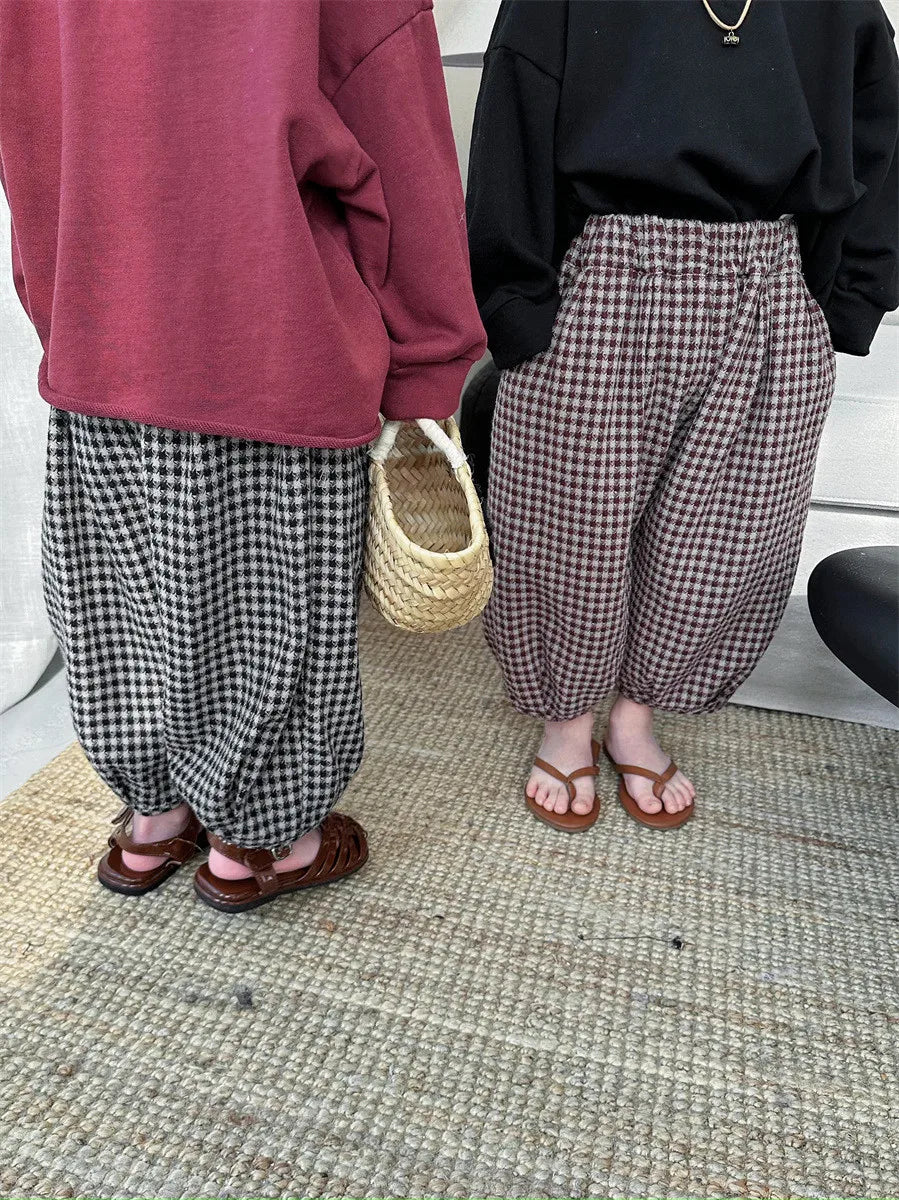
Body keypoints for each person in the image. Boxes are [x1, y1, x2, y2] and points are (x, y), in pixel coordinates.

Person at [0, 0, 485, 909]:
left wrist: (60, 309)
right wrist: (428, 358)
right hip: (272, 332)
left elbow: (28, 136)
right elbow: (397, 146)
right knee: (270, 618)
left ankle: (152, 822)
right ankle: (262, 843)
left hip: (103, 327)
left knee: (124, 602)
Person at [466, 0, 898, 831]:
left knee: (727, 530)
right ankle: (565, 718)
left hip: (767, 275)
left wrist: (844, 305)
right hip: (603, 269)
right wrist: (515, 303)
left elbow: (880, 136)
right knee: (568, 520)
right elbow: (511, 123)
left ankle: (635, 714)